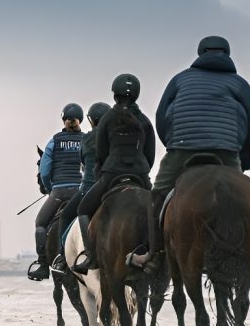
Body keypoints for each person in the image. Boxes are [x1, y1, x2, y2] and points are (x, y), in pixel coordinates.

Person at [127, 35, 250, 271]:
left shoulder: (180, 79)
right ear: (227, 54)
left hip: (182, 148)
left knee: (157, 194)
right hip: (227, 150)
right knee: (246, 194)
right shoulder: (239, 83)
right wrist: (246, 158)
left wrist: (173, 143)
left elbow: (161, 116)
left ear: (199, 53)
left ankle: (154, 253)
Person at [71, 74, 155, 274]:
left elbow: (101, 153)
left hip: (111, 175)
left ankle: (91, 255)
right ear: (136, 94)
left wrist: (104, 171)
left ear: (115, 94)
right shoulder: (144, 120)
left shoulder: (107, 119)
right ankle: (158, 254)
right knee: (158, 211)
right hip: (140, 175)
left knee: (82, 209)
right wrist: (141, 170)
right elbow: (150, 155)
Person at [50, 101, 111, 274]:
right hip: (116, 184)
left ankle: (64, 256)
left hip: (89, 187)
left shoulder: (88, 138)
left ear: (91, 121)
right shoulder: (113, 135)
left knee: (68, 216)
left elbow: (83, 164)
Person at [27, 103, 85, 281]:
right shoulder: (87, 140)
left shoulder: (54, 141)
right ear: (80, 120)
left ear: (63, 120)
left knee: (40, 223)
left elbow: (44, 170)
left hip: (59, 192)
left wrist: (50, 188)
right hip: (81, 192)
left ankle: (43, 264)